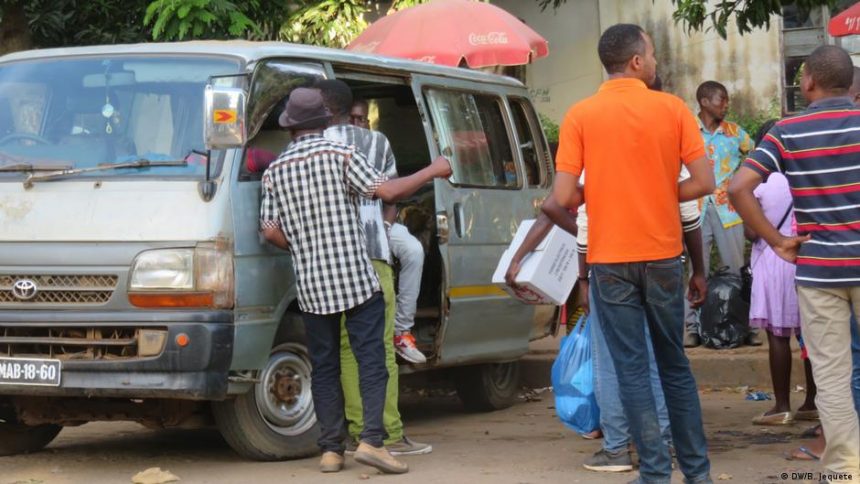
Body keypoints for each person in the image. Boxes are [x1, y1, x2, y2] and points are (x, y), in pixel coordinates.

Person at [529, 23, 716, 483]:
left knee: (632, 370)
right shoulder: (672, 109)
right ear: (636, 61)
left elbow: (562, 197)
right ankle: (697, 474)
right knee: (673, 365)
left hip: (609, 263)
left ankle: (653, 473)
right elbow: (704, 183)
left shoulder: (580, 115)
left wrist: (603, 192)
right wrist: (656, 190)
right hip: (664, 258)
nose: (654, 62)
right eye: (651, 54)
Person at [259, 87, 451, 474]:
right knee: (372, 361)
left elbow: (269, 230)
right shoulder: (342, 156)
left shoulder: (275, 170)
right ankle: (373, 443)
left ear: (291, 127)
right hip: (357, 281)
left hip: (313, 285)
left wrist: (300, 245)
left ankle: (331, 450)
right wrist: (434, 169)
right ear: (326, 121)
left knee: (326, 366)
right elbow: (389, 191)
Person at [729, 45, 860, 480]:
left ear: (808, 82)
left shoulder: (787, 131)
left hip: (818, 270)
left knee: (833, 375)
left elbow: (738, 188)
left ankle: (844, 469)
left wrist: (778, 241)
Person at [317, 80, 431, 456]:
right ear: (348, 108)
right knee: (379, 349)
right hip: (371, 254)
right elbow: (392, 191)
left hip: (328, 260)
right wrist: (381, 228)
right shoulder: (374, 143)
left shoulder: (306, 147)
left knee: (346, 351)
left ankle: (356, 434)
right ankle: (388, 436)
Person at [745, 118, 817, 426]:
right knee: (811, 335)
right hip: (805, 259)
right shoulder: (805, 178)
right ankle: (813, 401)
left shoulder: (759, 184)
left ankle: (781, 406)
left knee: (777, 335)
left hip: (773, 259)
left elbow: (751, 232)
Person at [348, 99, 430, 364]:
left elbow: (392, 196)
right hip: (346, 226)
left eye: (362, 119)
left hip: (378, 221)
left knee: (413, 249)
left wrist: (384, 227)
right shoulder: (336, 147)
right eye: (352, 119)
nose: (357, 124)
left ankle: (401, 331)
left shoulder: (378, 144)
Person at [685, 81, 758, 348]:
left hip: (729, 211)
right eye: (722, 100)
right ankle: (692, 327)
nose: (726, 105)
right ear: (705, 101)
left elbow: (757, 158)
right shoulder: (687, 132)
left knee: (738, 270)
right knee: (696, 270)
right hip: (696, 210)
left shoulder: (736, 133)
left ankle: (746, 326)